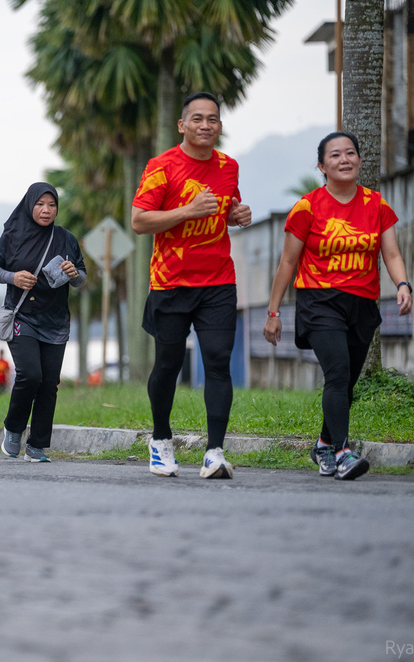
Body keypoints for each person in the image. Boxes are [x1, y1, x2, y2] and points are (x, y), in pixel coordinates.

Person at [263, 131, 412, 481]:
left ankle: (324, 445)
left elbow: (391, 253)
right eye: (335, 155)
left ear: (360, 160)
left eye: (350, 153)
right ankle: (344, 452)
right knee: (338, 372)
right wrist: (273, 312)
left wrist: (403, 284)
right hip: (319, 301)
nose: (344, 159)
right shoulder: (307, 207)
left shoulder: (377, 204)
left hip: (361, 303)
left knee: (345, 383)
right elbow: (288, 262)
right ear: (322, 166)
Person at [130, 92, 252, 479]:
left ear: (220, 126)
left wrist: (237, 214)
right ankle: (160, 440)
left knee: (217, 361)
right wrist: (188, 210)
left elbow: (224, 209)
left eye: (212, 119)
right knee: (168, 364)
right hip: (171, 282)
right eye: (197, 118)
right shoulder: (161, 166)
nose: (205, 125)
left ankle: (214, 452)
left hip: (218, 281)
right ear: (182, 125)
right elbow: (139, 220)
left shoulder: (229, 166)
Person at [0, 182, 87, 462]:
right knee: (30, 375)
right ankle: (13, 429)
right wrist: (13, 277)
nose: (46, 210)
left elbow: (81, 279)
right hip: (22, 316)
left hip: (56, 322)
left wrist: (74, 273)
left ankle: (37, 445)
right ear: (30, 205)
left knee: (49, 383)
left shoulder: (66, 238)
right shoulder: (12, 236)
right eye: (40, 204)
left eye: (51, 205)